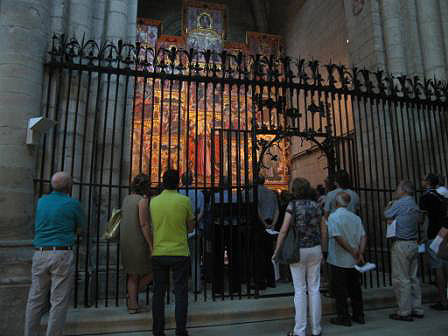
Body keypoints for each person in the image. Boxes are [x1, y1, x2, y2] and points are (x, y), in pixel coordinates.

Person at [25, 172, 83, 336]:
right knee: (58, 300)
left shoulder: (41, 202)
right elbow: (80, 228)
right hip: (61, 253)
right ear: (69, 187)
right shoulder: (73, 203)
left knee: (35, 299)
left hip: (40, 252)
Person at [273, 178, 325, 336]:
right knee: (314, 289)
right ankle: (316, 329)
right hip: (315, 248)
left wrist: (277, 250)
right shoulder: (316, 206)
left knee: (300, 290)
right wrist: (323, 249)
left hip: (298, 250)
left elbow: (283, 230)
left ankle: (300, 331)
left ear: (295, 190)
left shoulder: (293, 206)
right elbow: (324, 228)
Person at [150, 169, 194, 336]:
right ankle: (180, 330)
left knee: (158, 293)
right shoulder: (184, 201)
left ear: (162, 181)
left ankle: (158, 331)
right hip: (179, 252)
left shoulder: (154, 201)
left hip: (159, 251)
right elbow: (190, 227)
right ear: (178, 183)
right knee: (181, 292)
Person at [385, 180, 425, 320]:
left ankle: (404, 311)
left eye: (398, 188)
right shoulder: (414, 203)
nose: (396, 191)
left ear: (404, 190)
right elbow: (420, 220)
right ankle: (417, 308)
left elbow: (387, 214)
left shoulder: (400, 203)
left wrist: (390, 204)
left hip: (401, 244)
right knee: (413, 277)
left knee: (401, 278)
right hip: (414, 243)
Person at [327, 192, 367, 327]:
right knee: (355, 288)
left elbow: (338, 237)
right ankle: (359, 314)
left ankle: (343, 316)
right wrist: (359, 252)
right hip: (354, 259)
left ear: (336, 203)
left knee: (341, 290)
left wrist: (352, 250)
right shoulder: (355, 218)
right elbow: (363, 236)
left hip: (339, 259)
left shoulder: (333, 217)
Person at [120, 174, 153, 314]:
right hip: (138, 241)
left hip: (126, 240)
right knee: (153, 270)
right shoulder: (142, 201)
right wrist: (151, 244)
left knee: (133, 274)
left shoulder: (126, 199)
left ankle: (132, 303)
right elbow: (144, 224)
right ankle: (132, 300)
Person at [419, 173, 448, 311]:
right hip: (445, 232)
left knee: (438, 267)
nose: (422, 181)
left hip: (434, 234)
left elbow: (422, 219)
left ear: (428, 183)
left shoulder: (426, 197)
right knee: (445, 265)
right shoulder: (442, 197)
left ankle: (443, 300)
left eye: (424, 180)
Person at [179, 171, 205, 293]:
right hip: (194, 227)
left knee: (179, 259)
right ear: (192, 180)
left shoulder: (178, 193)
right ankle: (196, 287)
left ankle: (179, 286)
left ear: (181, 180)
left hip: (180, 229)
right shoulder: (198, 193)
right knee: (195, 259)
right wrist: (194, 223)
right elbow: (201, 211)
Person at [256, 175, 279, 288]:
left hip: (260, 224)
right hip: (271, 224)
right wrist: (273, 224)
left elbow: (257, 209)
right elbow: (277, 210)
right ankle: (271, 280)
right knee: (269, 253)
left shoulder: (254, 192)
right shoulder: (272, 193)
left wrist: (264, 225)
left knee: (259, 254)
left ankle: (261, 282)